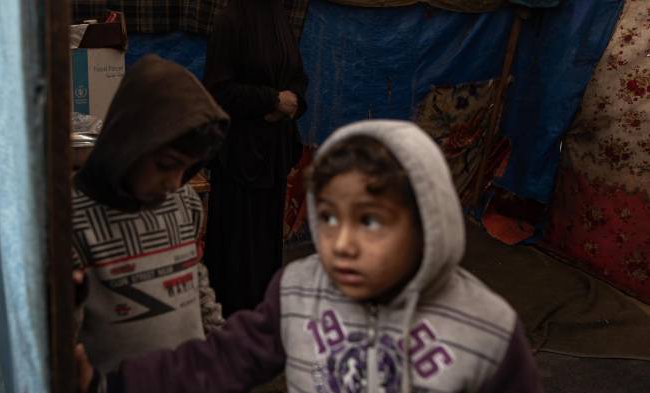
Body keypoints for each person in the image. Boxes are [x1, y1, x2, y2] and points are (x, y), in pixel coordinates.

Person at [77, 120, 543, 393]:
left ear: (428, 220)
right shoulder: (300, 289)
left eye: (371, 220)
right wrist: (111, 384)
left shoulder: (488, 332)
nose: (340, 244)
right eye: (328, 217)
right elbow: (219, 360)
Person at [71, 54, 230, 373]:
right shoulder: (72, 221)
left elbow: (195, 282)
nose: (174, 183)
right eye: (166, 165)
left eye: (187, 168)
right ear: (129, 145)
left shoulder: (185, 202)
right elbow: (67, 348)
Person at [202, 0, 309, 316]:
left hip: (272, 156)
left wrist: (292, 103)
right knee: (237, 250)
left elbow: (297, 78)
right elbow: (218, 90)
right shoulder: (230, 19)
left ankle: (262, 319)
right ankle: (232, 326)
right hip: (239, 156)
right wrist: (272, 100)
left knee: (264, 248)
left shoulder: (278, 15)